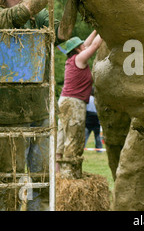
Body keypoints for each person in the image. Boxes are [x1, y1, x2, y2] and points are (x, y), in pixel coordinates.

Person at [0, 0, 78, 211]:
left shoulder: (40, 18)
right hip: (8, 115)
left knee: (43, 181)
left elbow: (63, 33)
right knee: (10, 183)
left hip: (42, 112)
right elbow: (17, 15)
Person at [56, 30, 103, 179]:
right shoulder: (80, 59)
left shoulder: (73, 59)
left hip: (65, 100)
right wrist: (105, 27)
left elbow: (88, 43)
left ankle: (57, 174)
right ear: (77, 49)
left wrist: (96, 29)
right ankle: (69, 176)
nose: (84, 45)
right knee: (73, 137)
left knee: (62, 136)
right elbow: (94, 45)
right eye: (81, 45)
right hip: (74, 103)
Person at [84, 88, 103, 152]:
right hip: (96, 120)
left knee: (85, 136)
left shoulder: (87, 99)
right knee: (97, 136)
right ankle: (99, 149)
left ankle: (82, 148)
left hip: (88, 119)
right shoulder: (97, 100)